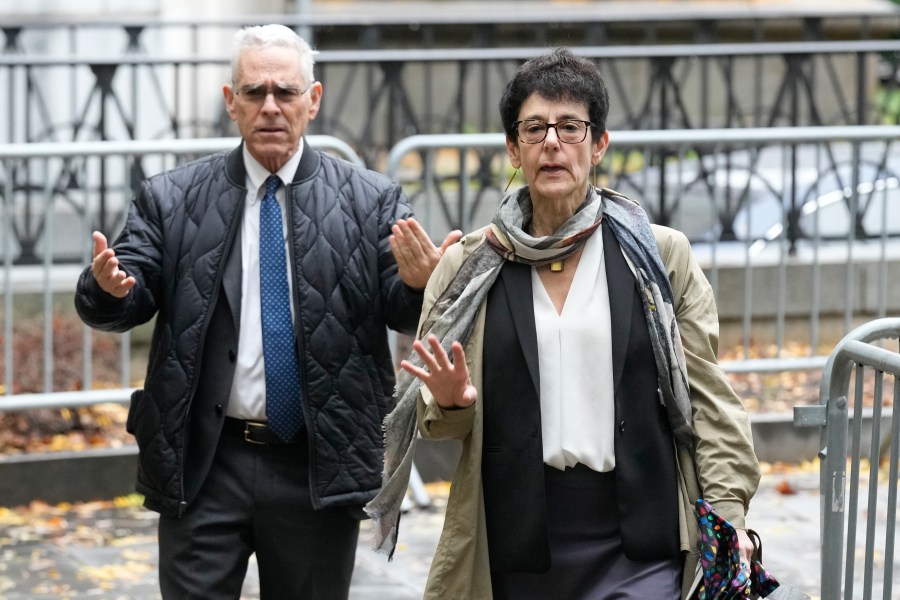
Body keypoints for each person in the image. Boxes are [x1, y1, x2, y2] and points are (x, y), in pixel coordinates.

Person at [74, 24, 459, 599]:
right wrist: (108, 289)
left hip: (316, 465)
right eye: (254, 93)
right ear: (232, 103)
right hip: (203, 462)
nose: (271, 107)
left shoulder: (370, 200)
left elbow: (405, 312)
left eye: (286, 92)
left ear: (314, 99)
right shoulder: (171, 197)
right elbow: (123, 296)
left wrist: (422, 285)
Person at [366, 48, 761, 599]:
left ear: (599, 145)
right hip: (515, 542)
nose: (552, 142)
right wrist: (454, 399)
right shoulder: (469, 267)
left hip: (640, 539)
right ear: (513, 148)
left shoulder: (659, 256)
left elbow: (708, 400)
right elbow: (438, 427)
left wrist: (728, 515)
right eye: (534, 129)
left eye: (571, 127)